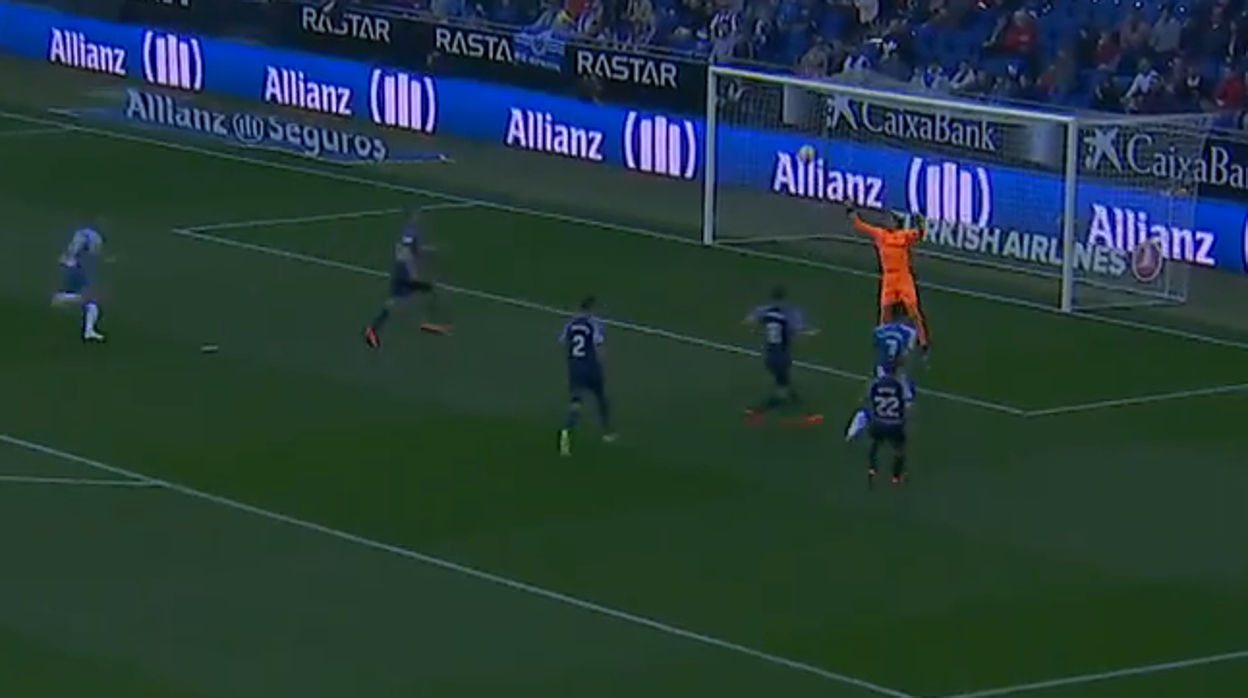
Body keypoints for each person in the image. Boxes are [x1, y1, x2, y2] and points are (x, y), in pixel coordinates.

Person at [363, 209, 449, 348]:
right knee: (427, 290)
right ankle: (424, 323)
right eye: (416, 216)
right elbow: (405, 251)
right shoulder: (409, 232)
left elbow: (413, 249)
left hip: (401, 273)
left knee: (393, 302)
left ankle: (372, 329)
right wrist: (411, 273)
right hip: (403, 274)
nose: (419, 218)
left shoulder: (411, 233)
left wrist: (430, 249)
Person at [848, 205, 930, 351]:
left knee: (913, 311)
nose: (888, 221)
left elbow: (920, 234)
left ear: (897, 223)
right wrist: (850, 210)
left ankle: (923, 341)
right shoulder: (880, 234)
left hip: (903, 277)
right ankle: (882, 337)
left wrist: (920, 224)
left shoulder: (904, 236)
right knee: (885, 310)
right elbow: (860, 225)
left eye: (891, 220)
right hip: (889, 278)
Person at [743, 286, 821, 425]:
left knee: (785, 384)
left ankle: (804, 409)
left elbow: (750, 320)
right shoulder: (788, 313)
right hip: (781, 355)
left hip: (770, 355)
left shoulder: (765, 311)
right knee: (782, 392)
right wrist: (810, 332)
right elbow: (797, 330)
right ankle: (756, 411)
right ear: (784, 298)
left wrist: (755, 328)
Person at [559, 296, 616, 456]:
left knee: (576, 403)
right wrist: (602, 362)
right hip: (591, 368)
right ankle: (608, 432)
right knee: (601, 398)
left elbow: (563, 342)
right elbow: (598, 345)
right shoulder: (593, 324)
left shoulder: (570, 325)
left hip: (575, 369)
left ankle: (566, 432)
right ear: (591, 309)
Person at [51, 219, 107, 342]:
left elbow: (73, 250)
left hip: (70, 264)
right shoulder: (92, 236)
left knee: (90, 302)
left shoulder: (81, 232)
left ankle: (89, 331)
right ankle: (61, 298)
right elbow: (92, 252)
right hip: (75, 268)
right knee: (90, 299)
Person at [863, 359, 910, 486]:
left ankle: (872, 468)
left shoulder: (876, 384)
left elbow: (868, 399)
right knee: (899, 449)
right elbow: (907, 403)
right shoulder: (899, 384)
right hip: (895, 424)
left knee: (874, 443)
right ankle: (896, 476)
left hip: (878, 422)